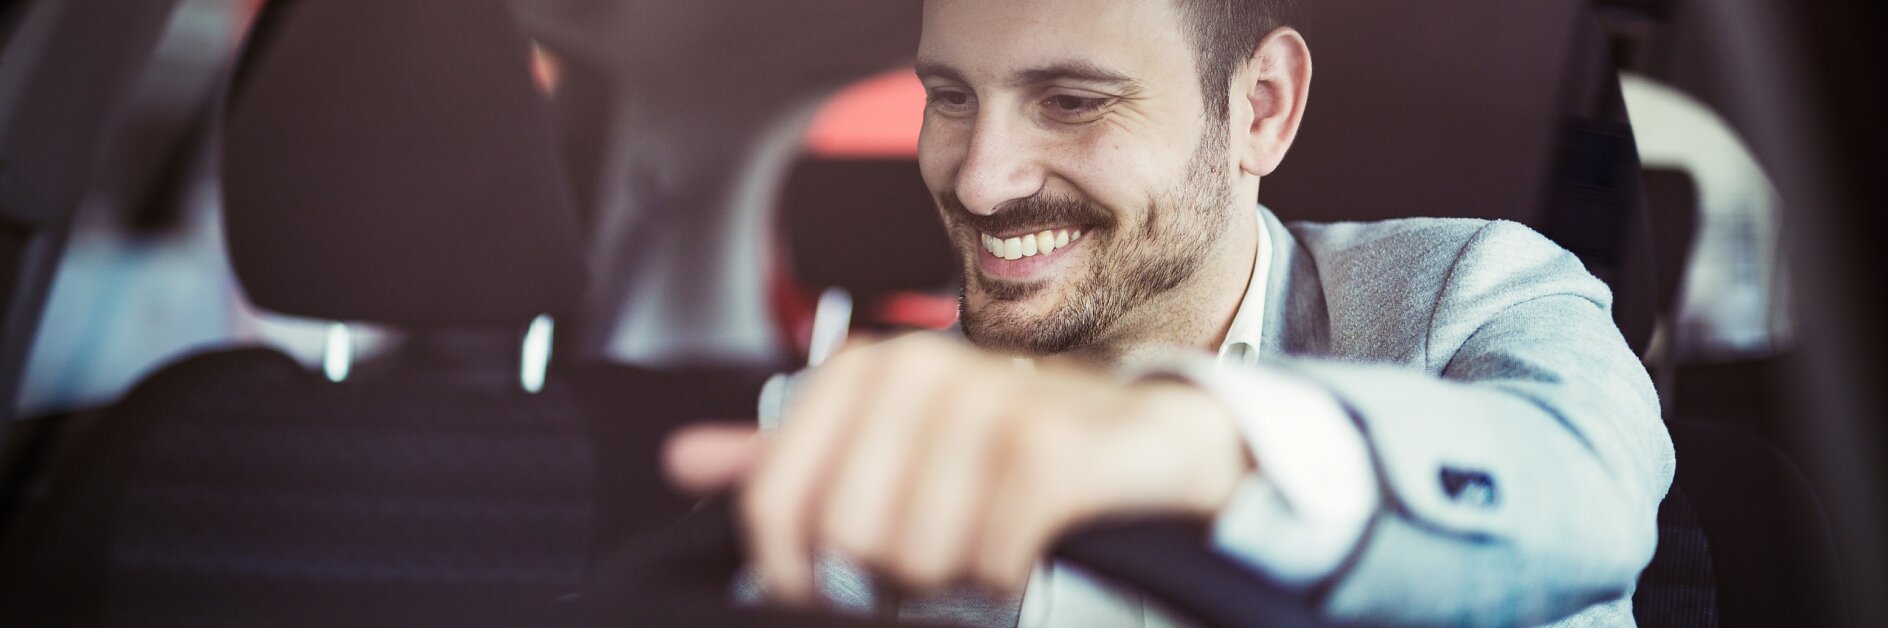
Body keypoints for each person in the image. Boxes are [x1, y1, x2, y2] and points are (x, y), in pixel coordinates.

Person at [665, 0, 1676, 625]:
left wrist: (1182, 437)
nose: (978, 181)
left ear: (1261, 107)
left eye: (1072, 100)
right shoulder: (844, 433)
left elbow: (1590, 489)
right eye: (951, 95)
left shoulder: (1463, 298)